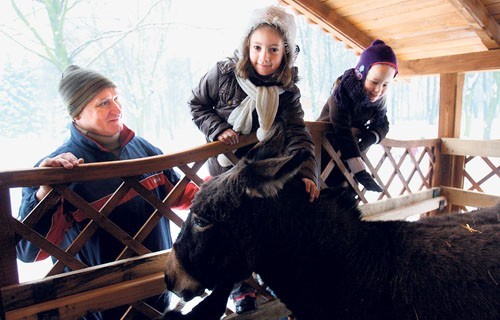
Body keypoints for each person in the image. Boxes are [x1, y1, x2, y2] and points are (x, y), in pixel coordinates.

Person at [16, 65, 198, 320]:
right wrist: (45, 191)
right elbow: (29, 252)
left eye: (116, 98)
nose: (117, 109)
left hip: (157, 288)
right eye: (103, 103)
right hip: (99, 305)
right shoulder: (55, 169)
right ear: (77, 114)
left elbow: (182, 193)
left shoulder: (143, 149)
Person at [188, 5, 319, 315]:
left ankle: (273, 281)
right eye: (257, 47)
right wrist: (217, 128)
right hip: (225, 172)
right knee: (228, 233)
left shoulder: (286, 91)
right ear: (247, 45)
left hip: (262, 175)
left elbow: (298, 134)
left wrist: (309, 172)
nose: (264, 56)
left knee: (264, 228)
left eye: (273, 49)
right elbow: (197, 105)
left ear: (285, 52)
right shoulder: (223, 74)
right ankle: (235, 289)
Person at [317, 39, 398, 193]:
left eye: (385, 84)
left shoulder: (377, 102)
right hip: (325, 150)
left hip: (350, 155)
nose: (378, 90)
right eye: (374, 82)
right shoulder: (342, 94)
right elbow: (342, 130)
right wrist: (360, 171)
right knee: (325, 195)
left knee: (348, 197)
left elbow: (383, 124)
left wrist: (370, 138)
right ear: (362, 75)